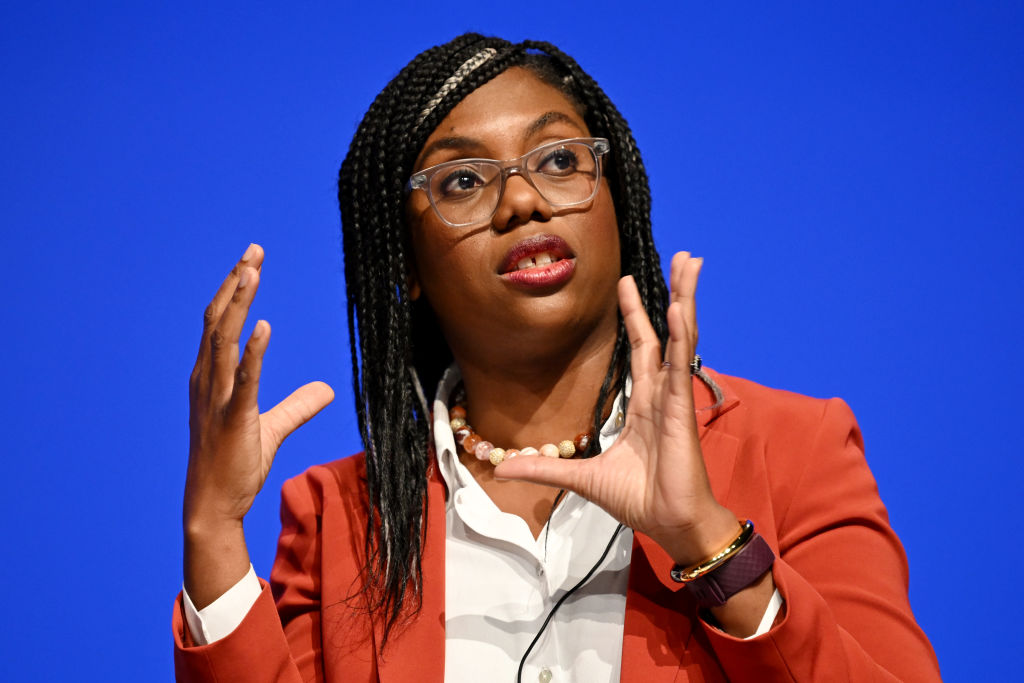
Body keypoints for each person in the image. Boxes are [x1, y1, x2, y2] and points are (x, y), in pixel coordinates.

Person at [173, 34, 940, 682]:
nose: (523, 200)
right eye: (463, 180)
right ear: (404, 265)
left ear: (616, 201)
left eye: (560, 160)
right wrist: (212, 530)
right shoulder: (339, 515)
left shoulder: (794, 448)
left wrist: (710, 544)